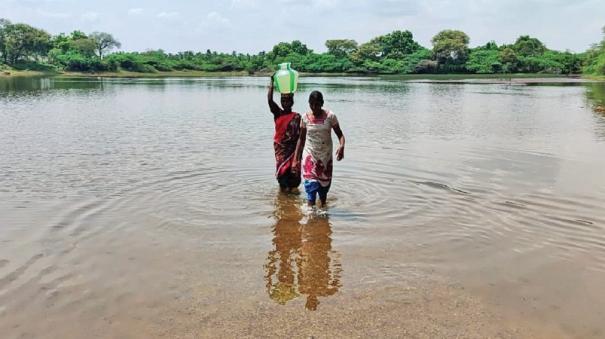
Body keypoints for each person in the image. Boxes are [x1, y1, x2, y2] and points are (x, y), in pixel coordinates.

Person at [292, 91, 345, 207]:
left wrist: (342, 146)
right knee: (310, 191)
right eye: (311, 104)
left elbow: (340, 135)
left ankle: (323, 213)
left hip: (325, 157)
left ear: (322, 103)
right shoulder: (305, 118)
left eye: (317, 104)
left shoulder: (330, 116)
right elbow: (301, 139)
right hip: (309, 156)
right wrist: (296, 159)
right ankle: (311, 217)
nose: (314, 107)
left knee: (323, 193)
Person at [268, 75, 301, 191]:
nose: (285, 103)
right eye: (283, 100)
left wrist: (298, 155)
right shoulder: (278, 113)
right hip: (281, 151)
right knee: (282, 176)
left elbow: (300, 137)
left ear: (292, 101)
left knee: (293, 177)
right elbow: (270, 101)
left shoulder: (297, 117)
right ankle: (284, 199)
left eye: (288, 100)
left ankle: (289, 200)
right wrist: (272, 83)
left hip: (293, 151)